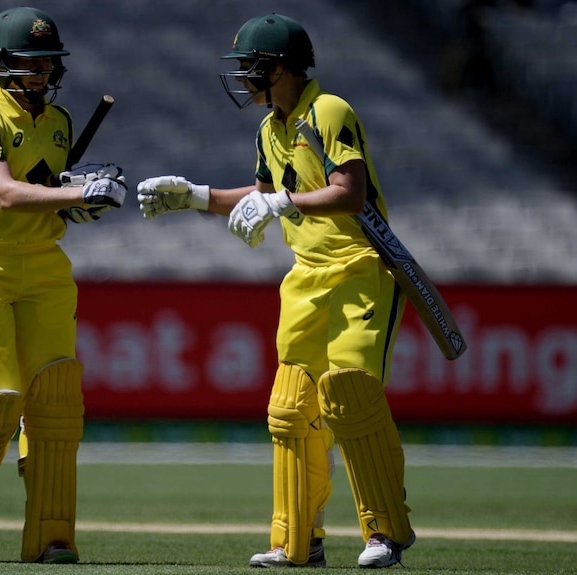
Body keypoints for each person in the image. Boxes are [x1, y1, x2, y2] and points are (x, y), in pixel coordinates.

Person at [137, 13, 415, 569]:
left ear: (281, 68)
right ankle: (297, 542)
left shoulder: (328, 111)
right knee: (290, 409)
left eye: (251, 66)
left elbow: (351, 193)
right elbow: (261, 195)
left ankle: (384, 532)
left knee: (351, 394)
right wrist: (193, 196)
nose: (242, 76)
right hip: (306, 277)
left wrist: (282, 203)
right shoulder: (269, 129)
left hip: (363, 268)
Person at [0, 6, 127, 564]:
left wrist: (84, 200)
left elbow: (52, 196)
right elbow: (8, 193)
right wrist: (78, 195)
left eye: (48, 63)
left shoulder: (61, 121)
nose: (42, 73)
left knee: (56, 403)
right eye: (29, 63)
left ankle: (52, 536)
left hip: (45, 267)